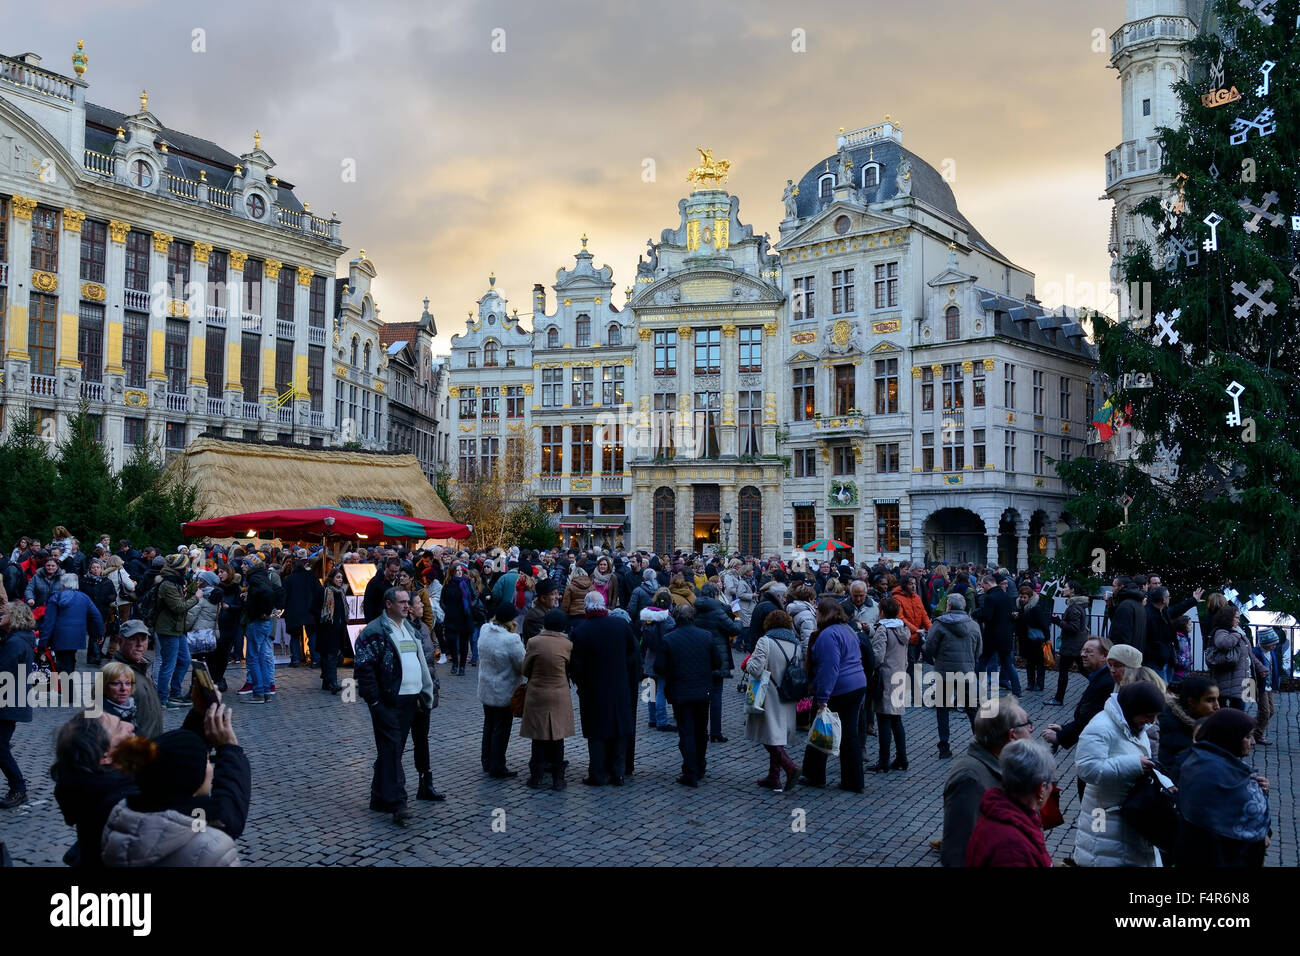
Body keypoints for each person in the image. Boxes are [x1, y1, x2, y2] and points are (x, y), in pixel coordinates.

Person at [103, 706, 250, 867]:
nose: (130, 726)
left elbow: (173, 758)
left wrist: (199, 714)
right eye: (207, 761)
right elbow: (227, 816)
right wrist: (229, 748)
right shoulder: (212, 846)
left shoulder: (120, 814)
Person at [354, 587, 440, 825]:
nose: (406, 606)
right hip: (388, 701)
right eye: (401, 602)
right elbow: (364, 669)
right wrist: (374, 700)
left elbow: (420, 660)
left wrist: (425, 691)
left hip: (412, 699)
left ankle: (379, 797)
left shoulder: (409, 629)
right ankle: (398, 803)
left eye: (407, 602)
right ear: (388, 604)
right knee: (392, 750)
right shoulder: (374, 631)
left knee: (392, 750)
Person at [1073, 681, 1165, 867]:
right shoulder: (1100, 726)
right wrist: (1134, 764)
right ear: (1133, 709)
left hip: (1126, 817)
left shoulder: (1136, 726)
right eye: (1148, 716)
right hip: (1104, 819)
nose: (1151, 722)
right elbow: (1087, 769)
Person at [940, 698, 1033, 866]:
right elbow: (958, 851)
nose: (1031, 729)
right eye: (1027, 724)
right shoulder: (970, 779)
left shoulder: (1006, 765)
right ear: (1012, 735)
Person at [1173, 708, 1270, 867]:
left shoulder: (1223, 765)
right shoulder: (1209, 773)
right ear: (1229, 737)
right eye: (1247, 737)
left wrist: (1261, 790)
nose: (1252, 742)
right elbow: (1210, 829)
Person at [569, 591, 640, 786]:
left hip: (593, 689)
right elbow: (633, 655)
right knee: (618, 729)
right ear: (604, 605)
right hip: (619, 686)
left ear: (586, 607)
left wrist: (581, 685)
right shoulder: (620, 625)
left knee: (596, 731)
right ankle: (618, 772)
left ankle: (597, 773)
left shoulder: (581, 631)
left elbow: (576, 665)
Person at [51, 711, 138, 867]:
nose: (131, 726)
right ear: (106, 756)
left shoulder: (84, 787)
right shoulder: (126, 800)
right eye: (119, 727)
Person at [655, 603, 722, 787]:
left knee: (687, 732)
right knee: (701, 731)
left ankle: (690, 770)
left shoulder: (669, 639)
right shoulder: (706, 636)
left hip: (680, 692)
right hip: (702, 690)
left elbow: (659, 667)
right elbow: (717, 662)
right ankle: (699, 766)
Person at [964, 738, 1056, 867]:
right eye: (1053, 782)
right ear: (1041, 789)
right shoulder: (1012, 848)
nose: (1053, 788)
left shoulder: (999, 814)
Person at [743, 609, 801, 792]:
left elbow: (755, 668)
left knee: (769, 736)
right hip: (788, 693)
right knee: (777, 734)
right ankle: (773, 776)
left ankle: (789, 767)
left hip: (768, 694)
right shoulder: (796, 644)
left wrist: (748, 661)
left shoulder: (765, 641)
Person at [520, 609, 575, 790]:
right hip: (559, 693)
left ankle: (535, 777)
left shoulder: (534, 642)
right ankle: (558, 779)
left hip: (537, 693)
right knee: (557, 737)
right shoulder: (567, 644)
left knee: (538, 737)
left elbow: (525, 669)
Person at [924, 591, 982, 758]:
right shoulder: (973, 625)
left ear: (949, 606)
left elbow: (930, 646)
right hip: (966, 671)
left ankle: (944, 745)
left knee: (943, 709)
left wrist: (935, 659)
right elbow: (979, 650)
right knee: (972, 709)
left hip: (944, 671)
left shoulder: (940, 624)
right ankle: (979, 743)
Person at [477, 604, 525, 778]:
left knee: (489, 724)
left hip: (486, 687)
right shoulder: (511, 640)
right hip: (504, 690)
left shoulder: (484, 630)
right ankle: (497, 765)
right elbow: (523, 664)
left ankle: (487, 761)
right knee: (502, 728)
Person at [0, 601, 37, 809]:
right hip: (9, 700)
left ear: (14, 617)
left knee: (1, 748)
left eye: (4, 613)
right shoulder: (16, 639)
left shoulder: (15, 643)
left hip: (7, 702)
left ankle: (19, 788)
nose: (0, 615)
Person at [867, 594, 909, 775]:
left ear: (882, 611)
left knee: (883, 719)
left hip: (885, 677)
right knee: (896, 719)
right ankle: (901, 757)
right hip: (900, 674)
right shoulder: (903, 628)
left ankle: (883, 760)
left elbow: (878, 656)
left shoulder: (883, 630)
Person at [694, 582, 738, 744]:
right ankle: (715, 731)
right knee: (717, 695)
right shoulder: (718, 611)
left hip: (700, 656)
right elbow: (734, 629)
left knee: (702, 695)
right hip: (717, 657)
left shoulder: (695, 609)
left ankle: (702, 730)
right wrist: (738, 620)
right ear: (714, 595)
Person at [153, 553, 199, 708]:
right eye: (186, 566)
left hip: (177, 629)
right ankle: (163, 698)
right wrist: (196, 597)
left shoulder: (176, 582)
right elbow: (178, 607)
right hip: (168, 629)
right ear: (179, 568)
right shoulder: (168, 584)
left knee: (185, 660)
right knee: (169, 664)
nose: (188, 569)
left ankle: (175, 693)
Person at [1157, 676, 1219, 782]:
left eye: (1217, 699)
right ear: (1192, 702)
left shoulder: (1202, 723)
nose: (1217, 706)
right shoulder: (1170, 726)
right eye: (1210, 700)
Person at [41, 573, 104, 675]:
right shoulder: (84, 597)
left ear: (63, 585)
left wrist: (43, 642)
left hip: (59, 636)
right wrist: (100, 633)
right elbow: (96, 616)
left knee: (62, 663)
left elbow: (49, 622)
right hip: (77, 636)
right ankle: (68, 685)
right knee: (69, 661)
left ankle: (66, 687)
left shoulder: (55, 597)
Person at [973, 574, 1019, 695]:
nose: (983, 588)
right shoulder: (1006, 596)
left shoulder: (990, 597)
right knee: (1008, 664)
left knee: (982, 661)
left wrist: (977, 614)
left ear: (988, 584)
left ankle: (974, 685)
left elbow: (987, 616)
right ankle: (1017, 690)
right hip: (1006, 635)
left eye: (983, 586)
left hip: (992, 636)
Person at [639, 588, 676, 732]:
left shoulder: (648, 615)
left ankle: (652, 718)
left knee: (650, 690)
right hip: (662, 658)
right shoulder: (667, 618)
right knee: (661, 690)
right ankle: (662, 721)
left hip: (650, 656)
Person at [1205, 605, 1251, 709]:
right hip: (1227, 681)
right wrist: (1237, 634)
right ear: (1228, 617)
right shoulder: (1221, 631)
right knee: (1231, 714)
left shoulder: (1238, 631)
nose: (1239, 621)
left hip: (1242, 681)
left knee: (1239, 713)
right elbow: (1223, 643)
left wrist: (1261, 668)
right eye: (1237, 617)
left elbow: (1249, 653)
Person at [1052, 581, 1091, 704]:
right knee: (1083, 670)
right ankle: (1101, 685)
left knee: (1064, 671)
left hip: (1072, 645)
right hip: (1077, 644)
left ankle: (1059, 699)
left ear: (1072, 590)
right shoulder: (1077, 606)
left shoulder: (1074, 607)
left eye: (1065, 587)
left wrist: (1057, 621)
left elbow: (1074, 628)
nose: (1063, 589)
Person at [440, 564, 481, 676]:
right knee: (452, 641)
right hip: (451, 617)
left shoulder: (467, 582)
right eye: (456, 570)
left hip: (465, 616)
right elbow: (442, 600)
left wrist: (471, 606)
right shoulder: (448, 584)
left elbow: (475, 596)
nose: (459, 572)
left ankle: (462, 666)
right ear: (452, 572)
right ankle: (455, 663)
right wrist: (447, 610)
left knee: (464, 643)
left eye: (460, 570)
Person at [282, 556, 323, 668]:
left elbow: (284, 596)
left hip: (294, 611)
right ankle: (315, 659)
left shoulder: (288, 579)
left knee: (295, 637)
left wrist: (282, 608)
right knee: (312, 635)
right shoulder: (312, 577)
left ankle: (295, 660)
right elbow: (320, 592)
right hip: (311, 610)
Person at [1012, 583, 1052, 692]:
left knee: (1039, 663)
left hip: (1036, 639)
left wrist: (1047, 638)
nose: (1022, 599)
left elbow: (1041, 623)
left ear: (1030, 597)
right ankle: (1031, 683)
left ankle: (1039, 684)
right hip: (1025, 639)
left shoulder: (1035, 608)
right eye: (1021, 597)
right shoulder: (1020, 607)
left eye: (1024, 597)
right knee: (1029, 663)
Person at [318, 566, 348, 694]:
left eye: (341, 577)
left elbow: (343, 611)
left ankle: (326, 681)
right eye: (338, 577)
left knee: (332, 655)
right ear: (332, 578)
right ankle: (333, 682)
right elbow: (319, 610)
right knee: (330, 655)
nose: (340, 580)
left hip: (338, 628)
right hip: (327, 628)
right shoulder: (326, 592)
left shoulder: (341, 593)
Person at [1250, 630, 1281, 745]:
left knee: (1271, 710)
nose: (1274, 646)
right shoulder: (1256, 652)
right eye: (1272, 644)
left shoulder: (1271, 653)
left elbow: (1274, 669)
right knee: (1265, 711)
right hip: (1259, 686)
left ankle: (1251, 728)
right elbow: (1252, 670)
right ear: (1263, 643)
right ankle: (1257, 734)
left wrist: (1275, 684)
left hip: (1268, 686)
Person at [1107, 576, 1148, 655]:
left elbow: (1120, 635)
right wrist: (1110, 606)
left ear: (1121, 586)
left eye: (1114, 586)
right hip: (1135, 654)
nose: (1112, 589)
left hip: (1125, 657)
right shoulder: (1138, 604)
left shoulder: (1125, 606)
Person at [363, 557, 402, 624]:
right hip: (378, 620)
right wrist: (370, 623)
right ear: (386, 567)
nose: (394, 574)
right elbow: (368, 604)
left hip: (394, 621)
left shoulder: (399, 581)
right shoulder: (374, 582)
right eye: (391, 571)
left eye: (396, 572)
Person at [100, 660, 138, 725]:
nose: (124, 688)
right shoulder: (100, 718)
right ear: (104, 685)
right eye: (116, 683)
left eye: (128, 683)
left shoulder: (132, 706)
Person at [522, 578, 559, 643]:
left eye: (557, 593)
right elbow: (542, 642)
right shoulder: (536, 617)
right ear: (543, 598)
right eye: (553, 594)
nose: (557, 597)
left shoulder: (546, 612)